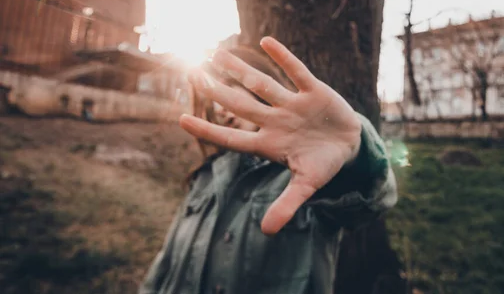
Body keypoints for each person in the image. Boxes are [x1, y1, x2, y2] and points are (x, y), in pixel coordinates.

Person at [139, 37, 398, 294]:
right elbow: (166, 261)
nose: (219, 108)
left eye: (229, 87)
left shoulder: (305, 179)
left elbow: (374, 197)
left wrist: (355, 151)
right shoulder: (205, 177)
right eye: (211, 98)